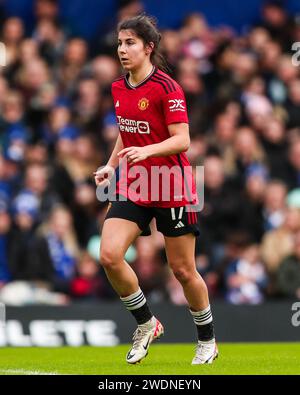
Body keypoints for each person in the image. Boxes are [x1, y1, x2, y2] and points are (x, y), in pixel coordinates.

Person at [94, 14, 217, 365]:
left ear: (149, 47)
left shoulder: (167, 88)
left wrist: (146, 150)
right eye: (119, 43)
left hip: (170, 186)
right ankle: (147, 323)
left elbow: (183, 140)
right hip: (134, 185)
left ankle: (207, 339)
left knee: (182, 270)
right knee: (109, 255)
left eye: (130, 42)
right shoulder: (119, 88)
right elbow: (126, 131)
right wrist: (111, 164)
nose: (122, 49)